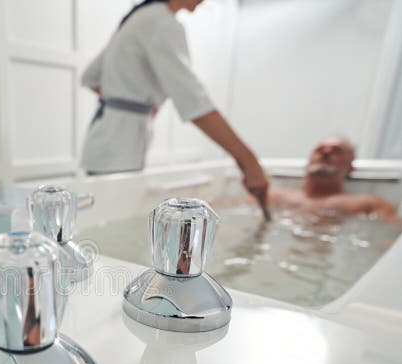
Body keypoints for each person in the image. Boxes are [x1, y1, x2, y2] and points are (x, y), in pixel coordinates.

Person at [80, 0, 269, 209]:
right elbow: (195, 103)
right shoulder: (161, 22)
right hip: (119, 147)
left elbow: (90, 77)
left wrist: (132, 100)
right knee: (112, 216)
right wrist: (249, 161)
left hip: (103, 142)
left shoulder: (141, 16)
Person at [269, 137, 397, 220]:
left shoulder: (368, 204)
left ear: (351, 168)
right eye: (319, 150)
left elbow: (395, 236)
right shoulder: (273, 196)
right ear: (307, 162)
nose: (326, 153)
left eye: (336, 151)